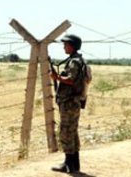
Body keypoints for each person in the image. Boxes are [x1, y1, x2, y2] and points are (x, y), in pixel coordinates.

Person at [49, 34, 87, 173]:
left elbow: (71, 80)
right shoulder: (76, 60)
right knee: (72, 132)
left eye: (66, 44)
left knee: (66, 132)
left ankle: (69, 165)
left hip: (70, 102)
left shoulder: (74, 62)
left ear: (72, 45)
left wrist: (57, 77)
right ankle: (73, 164)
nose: (64, 47)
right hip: (72, 102)